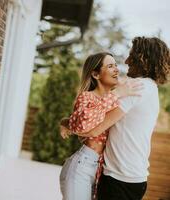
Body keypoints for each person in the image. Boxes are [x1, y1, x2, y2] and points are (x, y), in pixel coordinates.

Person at [93, 37, 170, 200]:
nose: (127, 61)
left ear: (142, 60)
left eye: (131, 56)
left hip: (119, 180)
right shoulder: (149, 87)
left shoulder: (137, 87)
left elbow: (97, 127)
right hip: (132, 178)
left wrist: (70, 125)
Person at [59, 52, 142, 200]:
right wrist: (116, 94)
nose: (116, 69)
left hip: (101, 170)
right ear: (96, 74)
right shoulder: (87, 96)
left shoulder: (116, 101)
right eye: (110, 66)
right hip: (82, 166)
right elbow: (84, 124)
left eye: (116, 65)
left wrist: (67, 122)